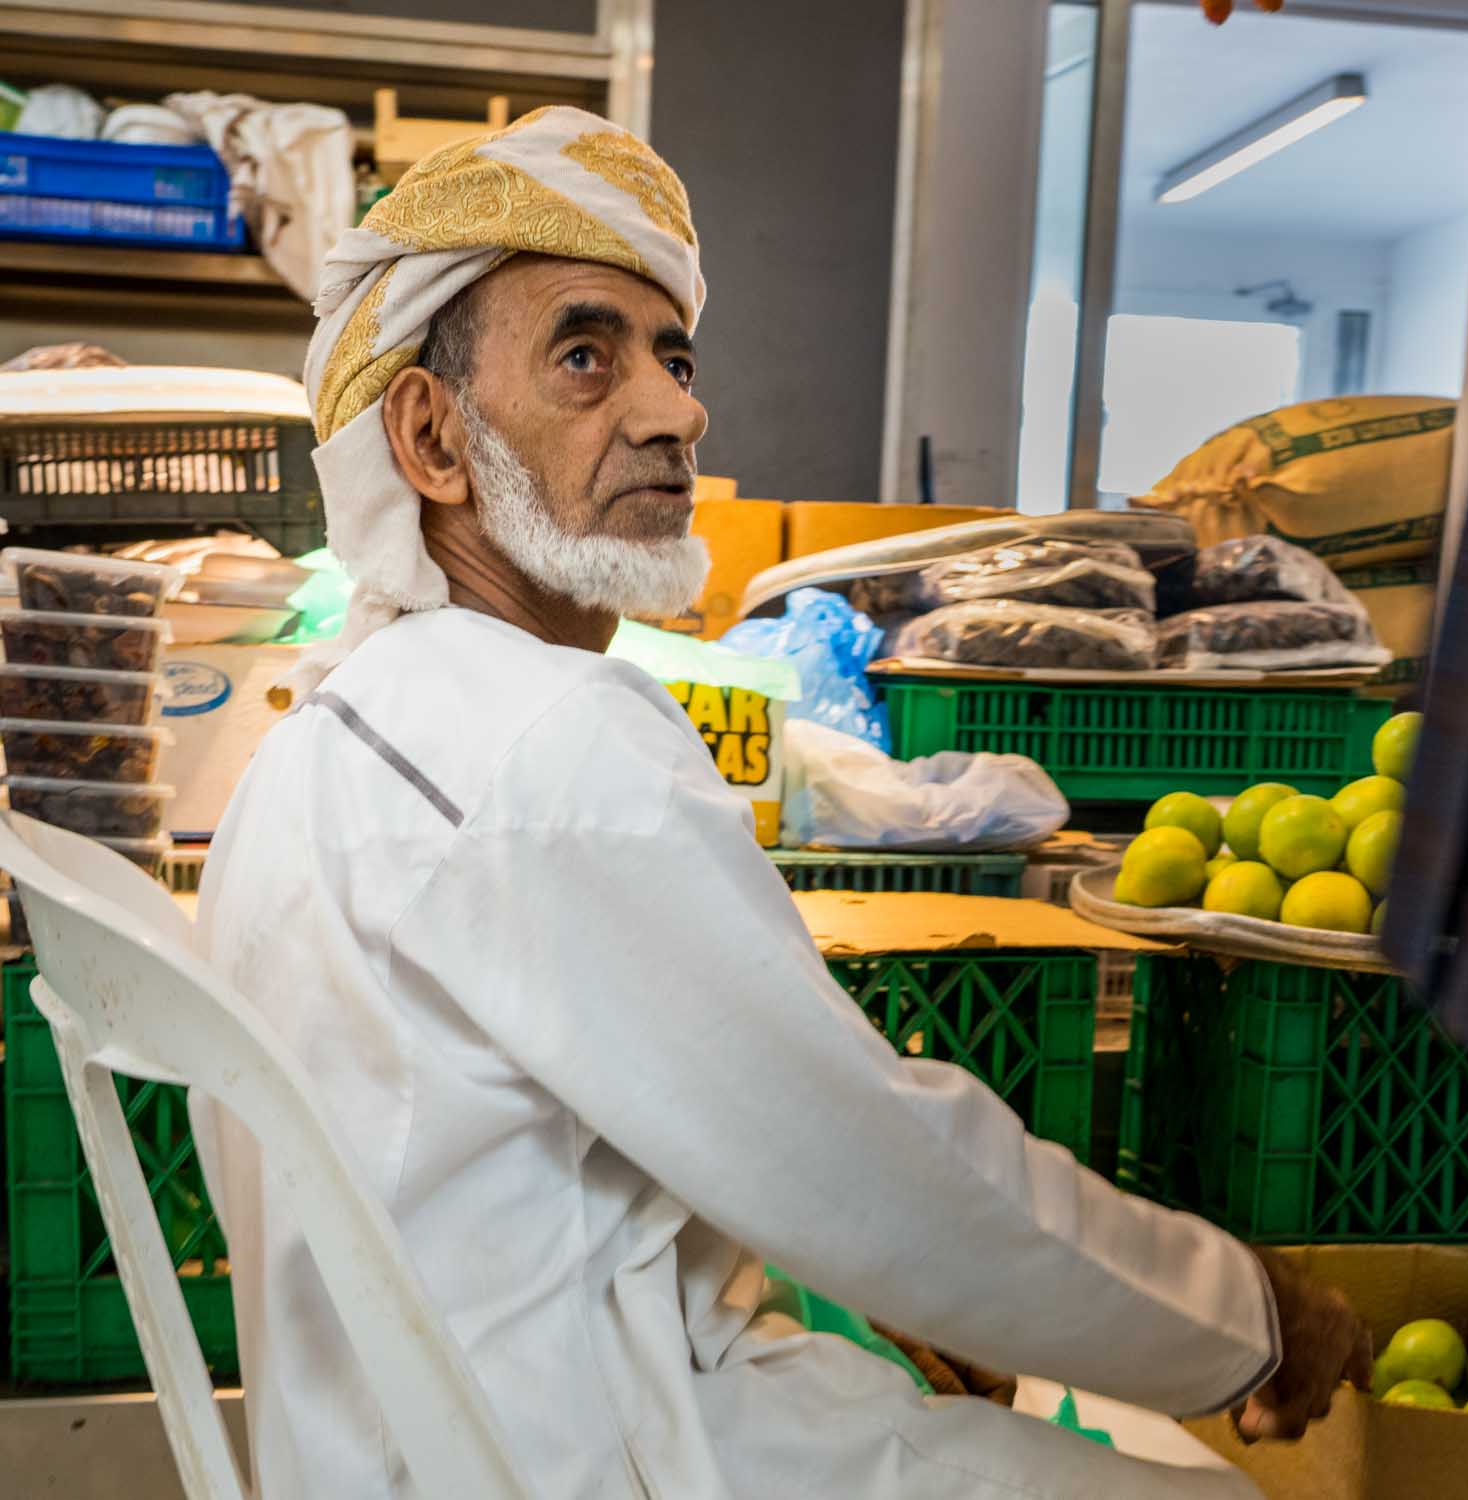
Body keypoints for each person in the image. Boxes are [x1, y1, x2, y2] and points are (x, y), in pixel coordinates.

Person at [195, 106, 1368, 1500]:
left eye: (674, 356)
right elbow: (874, 1161)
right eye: (586, 353)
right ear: (432, 439)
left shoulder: (329, 732)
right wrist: (1240, 1322)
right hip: (598, 1451)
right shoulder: (548, 736)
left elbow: (719, 1141)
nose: (675, 409)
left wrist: (889, 1262)